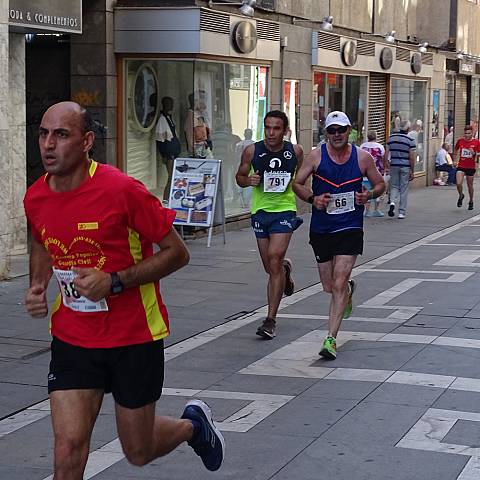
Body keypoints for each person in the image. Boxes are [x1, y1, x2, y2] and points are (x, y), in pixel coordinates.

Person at [23, 101, 225, 479]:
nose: (48, 144)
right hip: (73, 337)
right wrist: (37, 284)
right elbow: (39, 238)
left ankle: (193, 426)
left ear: (86, 142)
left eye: (61, 135)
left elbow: (177, 253)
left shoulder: (122, 190)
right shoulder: (36, 196)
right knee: (67, 449)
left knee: (138, 449)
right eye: (43, 133)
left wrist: (113, 282)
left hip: (133, 336)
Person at [293, 111, 385, 360]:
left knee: (338, 282)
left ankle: (330, 339)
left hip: (350, 227)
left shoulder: (363, 158)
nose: (336, 135)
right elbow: (297, 183)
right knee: (328, 286)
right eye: (331, 130)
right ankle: (347, 292)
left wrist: (369, 195)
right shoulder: (316, 156)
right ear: (326, 133)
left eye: (340, 130)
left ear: (349, 131)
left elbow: (380, 184)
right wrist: (313, 198)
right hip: (322, 228)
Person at [236, 110, 304, 339]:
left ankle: (270, 320)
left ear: (285, 131)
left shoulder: (295, 151)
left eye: (276, 128)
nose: (271, 132)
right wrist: (248, 180)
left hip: (284, 210)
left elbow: (301, 178)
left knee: (274, 257)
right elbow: (240, 176)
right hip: (260, 211)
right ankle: (285, 270)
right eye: (268, 127)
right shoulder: (252, 150)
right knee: (271, 267)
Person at [385, 120, 416, 219]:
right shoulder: (410, 140)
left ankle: (392, 203)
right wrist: (412, 170)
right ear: (407, 129)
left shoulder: (391, 138)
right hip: (405, 166)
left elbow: (386, 154)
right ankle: (401, 212)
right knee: (404, 188)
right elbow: (412, 157)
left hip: (394, 164)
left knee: (394, 186)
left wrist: (386, 165)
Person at [155, 96, 181, 200]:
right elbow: (160, 139)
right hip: (169, 153)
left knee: (174, 176)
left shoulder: (169, 118)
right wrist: (164, 155)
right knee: (171, 177)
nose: (171, 105)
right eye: (169, 103)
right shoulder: (162, 119)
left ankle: (170, 198)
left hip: (174, 151)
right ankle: (166, 199)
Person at [360, 130, 386, 217]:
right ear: (376, 137)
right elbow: (383, 159)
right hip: (377, 172)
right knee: (377, 190)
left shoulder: (363, 146)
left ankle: (367, 211)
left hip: (365, 173)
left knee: (366, 191)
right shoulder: (380, 147)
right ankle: (376, 210)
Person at [454, 125, 480, 210]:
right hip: (461, 165)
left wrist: (474, 153)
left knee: (470, 185)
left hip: (470, 166)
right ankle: (461, 195)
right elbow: (456, 149)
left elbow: (479, 153)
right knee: (458, 183)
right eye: (465, 133)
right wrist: (455, 160)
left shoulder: (476, 142)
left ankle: (471, 201)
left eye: (469, 133)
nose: (467, 135)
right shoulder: (460, 141)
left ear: (472, 133)